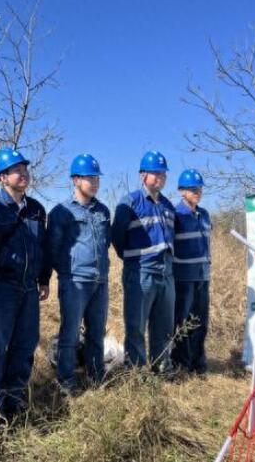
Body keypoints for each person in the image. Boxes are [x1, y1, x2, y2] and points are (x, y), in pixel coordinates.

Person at [0, 148, 51, 418]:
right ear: (2, 177)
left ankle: (14, 400)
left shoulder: (37, 210)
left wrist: (44, 279)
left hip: (29, 288)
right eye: (17, 170)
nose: (23, 174)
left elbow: (44, 247)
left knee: (25, 344)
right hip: (0, 287)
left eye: (25, 169)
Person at [47, 154, 111, 394]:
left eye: (96, 178)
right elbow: (52, 249)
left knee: (96, 332)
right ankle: (66, 382)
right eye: (88, 178)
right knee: (70, 333)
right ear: (75, 180)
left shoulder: (103, 211)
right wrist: (68, 272)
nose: (94, 183)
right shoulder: (61, 212)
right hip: (74, 282)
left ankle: (95, 377)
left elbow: (105, 244)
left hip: (100, 280)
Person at [111, 150, 176, 374]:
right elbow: (117, 237)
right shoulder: (130, 202)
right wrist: (133, 260)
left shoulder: (168, 205)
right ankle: (136, 372)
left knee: (163, 325)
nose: (159, 177)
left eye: (163, 173)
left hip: (166, 274)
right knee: (136, 325)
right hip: (141, 272)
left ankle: (161, 367)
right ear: (142, 175)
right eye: (154, 173)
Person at [171, 169, 212, 375]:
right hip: (183, 277)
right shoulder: (176, 215)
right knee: (183, 322)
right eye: (192, 188)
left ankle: (198, 363)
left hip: (203, 276)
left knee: (201, 322)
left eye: (199, 188)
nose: (197, 192)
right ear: (181, 191)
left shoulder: (204, 215)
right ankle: (181, 364)